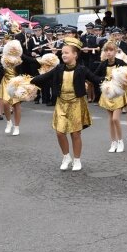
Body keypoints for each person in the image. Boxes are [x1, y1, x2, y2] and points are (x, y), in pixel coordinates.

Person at [31, 37, 96, 171]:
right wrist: (28, 81)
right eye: (62, 53)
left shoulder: (82, 69)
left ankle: (77, 160)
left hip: (76, 103)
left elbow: (96, 79)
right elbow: (44, 77)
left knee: (75, 133)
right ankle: (66, 157)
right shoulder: (59, 69)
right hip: (61, 103)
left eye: (67, 52)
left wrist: (114, 80)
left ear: (75, 55)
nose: (63, 55)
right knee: (60, 132)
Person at [94, 41, 127, 153]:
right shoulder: (103, 64)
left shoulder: (120, 62)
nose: (109, 52)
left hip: (118, 94)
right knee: (110, 120)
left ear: (115, 51)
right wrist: (104, 80)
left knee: (115, 119)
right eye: (107, 50)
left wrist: (122, 81)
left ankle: (120, 141)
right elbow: (95, 75)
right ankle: (113, 142)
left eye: (111, 50)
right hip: (108, 94)